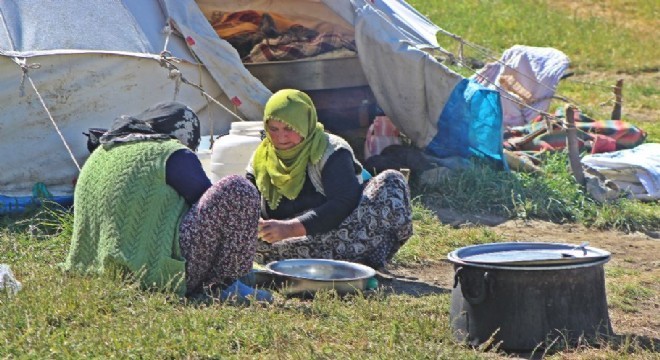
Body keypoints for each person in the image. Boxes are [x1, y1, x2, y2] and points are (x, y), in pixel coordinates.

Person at [63, 102, 272, 303]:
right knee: (237, 188)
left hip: (101, 269)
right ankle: (224, 285)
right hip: (154, 273)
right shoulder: (170, 152)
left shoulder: (104, 149)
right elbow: (210, 207)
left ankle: (234, 278)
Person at [247, 89, 413, 269]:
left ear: (305, 125)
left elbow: (343, 203)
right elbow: (247, 199)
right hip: (288, 245)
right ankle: (335, 262)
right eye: (273, 129)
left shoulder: (330, 151)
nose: (280, 137)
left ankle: (354, 259)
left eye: (289, 128)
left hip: (344, 233)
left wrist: (290, 228)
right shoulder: (261, 158)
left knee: (391, 181)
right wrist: (258, 224)